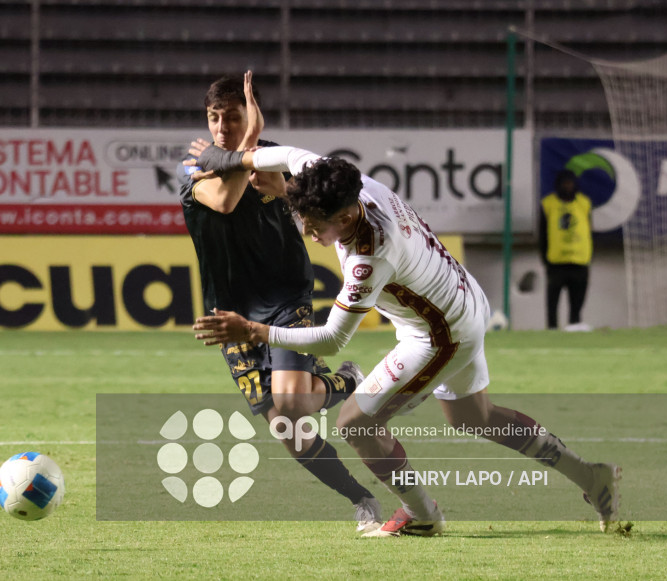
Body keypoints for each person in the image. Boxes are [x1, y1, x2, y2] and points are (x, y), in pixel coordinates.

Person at [188, 136, 622, 537]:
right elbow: (281, 155)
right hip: (463, 298)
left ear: (343, 216)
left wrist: (254, 331)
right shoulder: (334, 179)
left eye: (315, 225)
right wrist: (227, 159)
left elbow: (333, 340)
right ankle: (591, 476)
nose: (308, 232)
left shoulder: (370, 254)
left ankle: (422, 515)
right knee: (476, 418)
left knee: (355, 422)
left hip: (440, 335)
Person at [176, 71, 381, 532]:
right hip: (230, 310)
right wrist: (247, 143)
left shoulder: (282, 161)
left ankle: (342, 386)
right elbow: (225, 200)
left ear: (251, 113)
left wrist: (276, 176)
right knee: (290, 433)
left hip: (286, 294)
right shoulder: (192, 167)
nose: (223, 128)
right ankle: (361, 495)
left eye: (234, 117)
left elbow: (320, 211)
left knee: (294, 404)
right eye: (215, 118)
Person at [540, 169, 593, 331]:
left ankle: (574, 330)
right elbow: (543, 234)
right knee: (552, 305)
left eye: (570, 183)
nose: (568, 187)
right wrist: (544, 259)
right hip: (556, 263)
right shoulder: (548, 204)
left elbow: (590, 231)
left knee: (577, 304)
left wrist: (589, 256)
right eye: (565, 183)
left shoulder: (584, 203)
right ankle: (552, 330)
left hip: (579, 262)